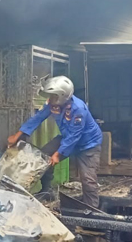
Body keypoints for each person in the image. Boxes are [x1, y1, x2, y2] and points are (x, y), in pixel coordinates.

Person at [8, 76, 103, 207]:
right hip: (66, 138)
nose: (50, 99)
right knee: (42, 158)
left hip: (87, 145)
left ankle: (92, 210)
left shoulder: (78, 109)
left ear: (63, 95)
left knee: (88, 179)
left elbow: (74, 136)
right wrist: (17, 135)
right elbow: (37, 118)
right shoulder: (52, 104)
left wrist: (58, 154)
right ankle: (47, 191)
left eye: (54, 96)